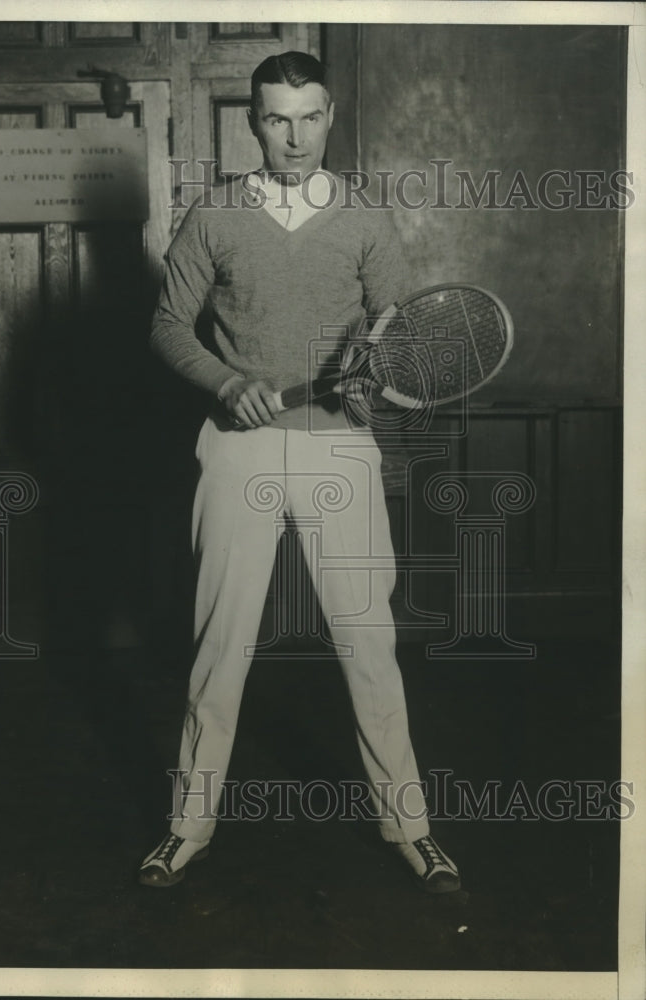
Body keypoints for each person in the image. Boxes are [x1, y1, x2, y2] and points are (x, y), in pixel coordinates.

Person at [139, 51, 460, 894]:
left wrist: (372, 371)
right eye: (277, 119)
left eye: (309, 117)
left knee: (367, 643)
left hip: (338, 448)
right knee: (221, 647)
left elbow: (401, 335)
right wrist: (225, 382)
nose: (295, 137)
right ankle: (187, 829)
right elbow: (168, 325)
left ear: (329, 118)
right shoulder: (214, 214)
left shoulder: (363, 218)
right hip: (237, 448)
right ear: (252, 122)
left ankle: (410, 828)